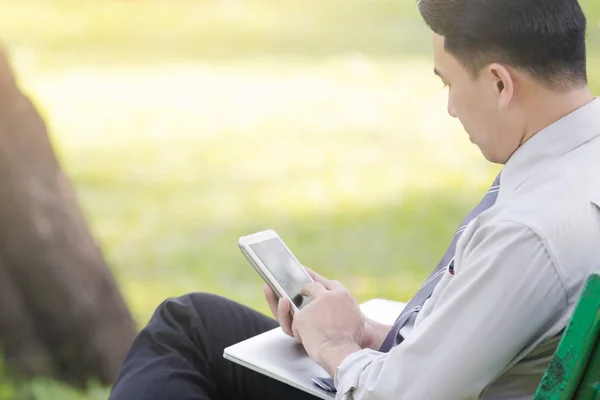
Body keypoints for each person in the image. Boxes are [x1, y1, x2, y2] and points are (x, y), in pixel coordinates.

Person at [108, 0, 600, 398]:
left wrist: (335, 344)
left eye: (448, 83)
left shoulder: (529, 235)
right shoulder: (579, 167)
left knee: (184, 329)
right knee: (199, 322)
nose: (450, 108)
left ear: (499, 82)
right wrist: (364, 331)